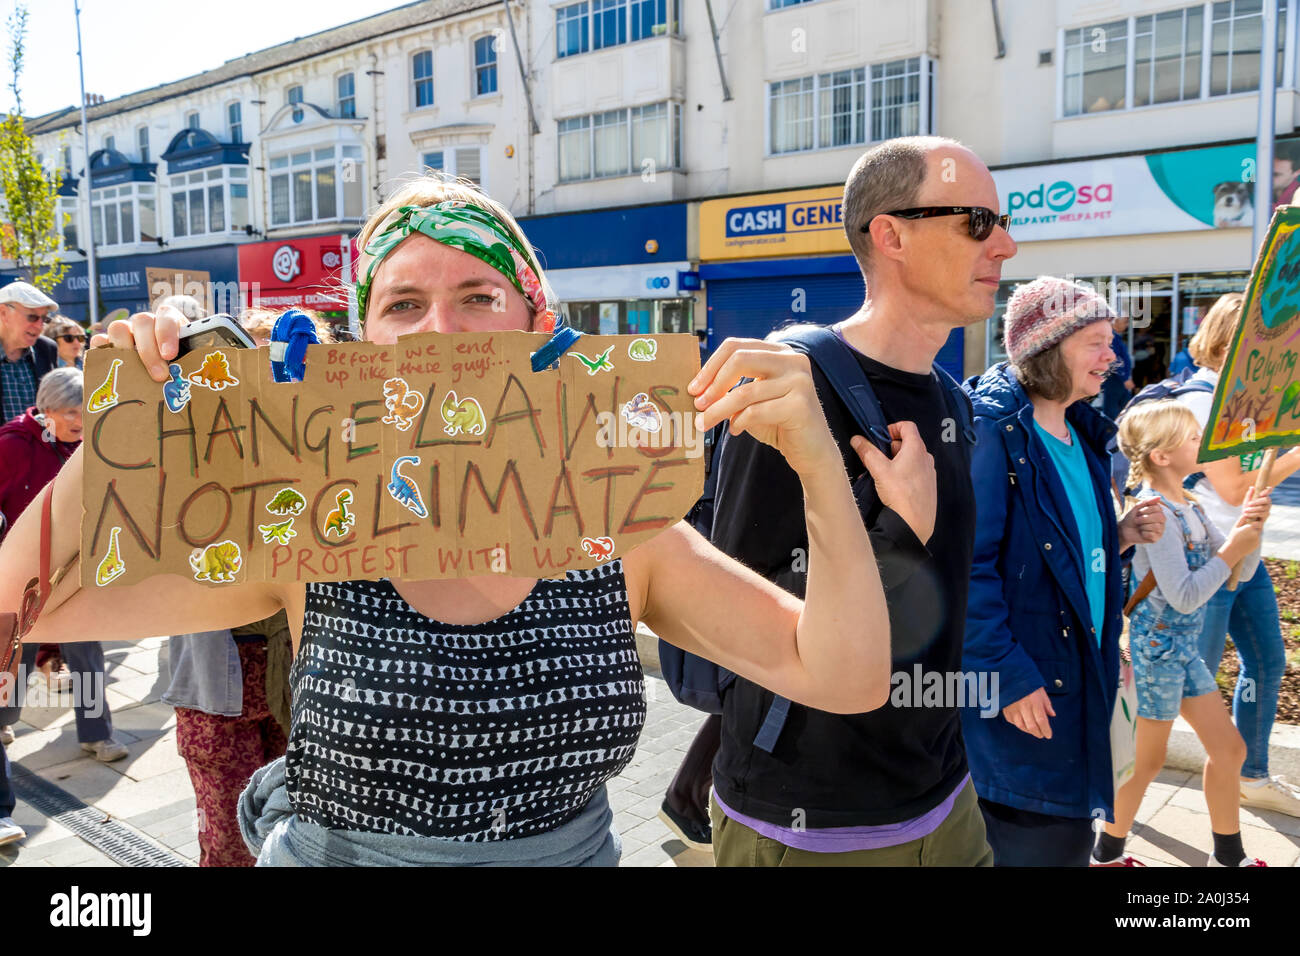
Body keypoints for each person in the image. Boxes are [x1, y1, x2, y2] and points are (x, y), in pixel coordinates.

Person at [0, 175, 906, 867]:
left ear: (533, 320)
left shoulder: (614, 524)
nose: (441, 331)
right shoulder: (312, 524)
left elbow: (847, 677)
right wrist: (121, 427)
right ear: (362, 339)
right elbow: (22, 619)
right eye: (403, 304)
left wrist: (820, 465)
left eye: (477, 295)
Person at [707, 136, 1013, 867]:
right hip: (813, 823)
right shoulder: (791, 387)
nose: (1005, 244)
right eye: (977, 221)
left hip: (945, 795)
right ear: (891, 234)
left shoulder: (953, 403)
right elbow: (731, 622)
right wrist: (896, 531)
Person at [963, 276, 1166, 866]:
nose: (1114, 356)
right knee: (1046, 843)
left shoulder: (1082, 431)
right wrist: (1005, 673)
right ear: (1049, 347)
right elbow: (965, 565)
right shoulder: (993, 431)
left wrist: (1118, 537)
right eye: (1097, 343)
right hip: (1028, 690)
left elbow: (1054, 551)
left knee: (1070, 838)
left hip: (1080, 676)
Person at [160, 307, 330, 866]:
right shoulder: (188, 450)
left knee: (297, 832)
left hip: (303, 683)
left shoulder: (325, 452)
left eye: (274, 368)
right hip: (216, 683)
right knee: (229, 840)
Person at [1097, 400, 1271, 867]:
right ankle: (1105, 854)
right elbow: (1186, 596)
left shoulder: (1190, 506)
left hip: (1182, 651)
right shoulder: (1155, 515)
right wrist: (1234, 546)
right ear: (1161, 455)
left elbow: (1238, 571)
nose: (1203, 443)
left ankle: (1228, 859)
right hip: (1156, 651)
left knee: (1230, 749)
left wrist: (1250, 529)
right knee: (1146, 763)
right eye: (1193, 437)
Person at [1177, 292, 1300, 817]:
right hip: (1207, 559)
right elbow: (1232, 489)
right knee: (1192, 681)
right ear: (1234, 344)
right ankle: (1120, 785)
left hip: (1243, 559)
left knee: (1269, 661)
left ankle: (1250, 775)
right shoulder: (1203, 402)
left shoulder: (1249, 405)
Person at [0, 369, 126, 847]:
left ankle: (96, 732)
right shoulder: (11, 445)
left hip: (71, 576)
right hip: (19, 578)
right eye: (72, 412)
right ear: (46, 410)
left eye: (85, 411)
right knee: (14, 661)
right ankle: (6, 723)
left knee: (86, 655)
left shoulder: (82, 444)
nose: (80, 420)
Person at [0, 281, 59, 424]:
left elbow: (52, 410)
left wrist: (51, 443)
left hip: (41, 445)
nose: (39, 325)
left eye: (44, 319)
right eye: (32, 317)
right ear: (3, 313)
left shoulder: (46, 349)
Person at [1099, 312, 1134, 419]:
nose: (1126, 325)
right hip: (1114, 379)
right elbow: (1114, 359)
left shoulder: (1116, 337)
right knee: (1113, 411)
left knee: (1127, 408)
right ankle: (1111, 434)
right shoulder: (1112, 338)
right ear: (1115, 322)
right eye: (1125, 322)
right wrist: (1125, 378)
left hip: (1118, 380)